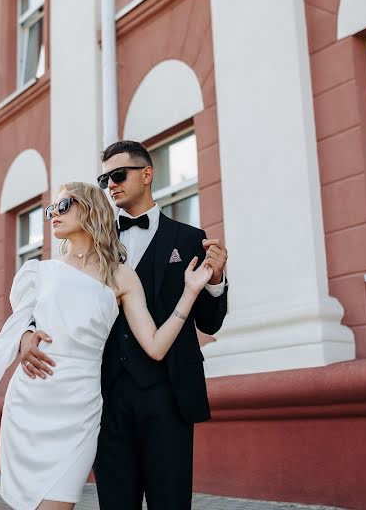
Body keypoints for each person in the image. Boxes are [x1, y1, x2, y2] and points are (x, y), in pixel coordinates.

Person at [0, 181, 213, 510]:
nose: (53, 213)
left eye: (63, 205)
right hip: (32, 402)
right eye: (50, 209)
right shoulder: (37, 273)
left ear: (90, 208)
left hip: (81, 409)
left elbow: (155, 346)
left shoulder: (121, 276)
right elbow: (5, 341)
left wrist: (190, 292)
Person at [20, 141, 229, 508]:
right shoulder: (90, 238)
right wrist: (26, 333)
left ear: (147, 174)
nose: (110, 184)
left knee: (171, 503)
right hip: (103, 396)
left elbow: (211, 321)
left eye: (118, 175)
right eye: (104, 179)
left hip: (170, 393)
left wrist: (215, 280)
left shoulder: (189, 239)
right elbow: (51, 299)